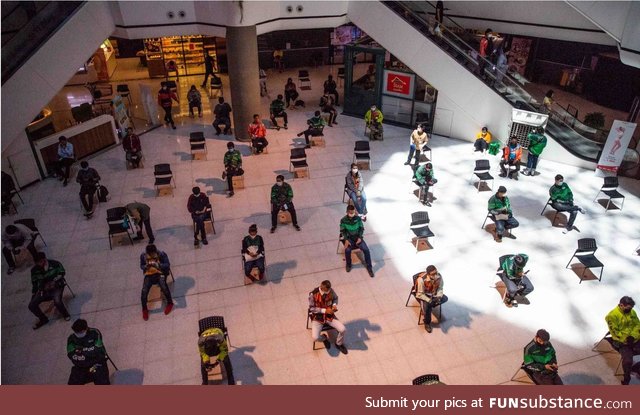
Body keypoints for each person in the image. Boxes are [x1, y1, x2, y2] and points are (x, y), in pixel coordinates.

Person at [29, 252, 71, 329]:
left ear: (44, 259)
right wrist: (34, 293)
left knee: (57, 301)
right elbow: (34, 283)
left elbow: (62, 272)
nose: (39, 264)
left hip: (57, 286)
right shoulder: (34, 270)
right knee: (32, 305)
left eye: (40, 262)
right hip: (43, 290)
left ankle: (66, 314)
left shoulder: (55, 264)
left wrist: (54, 281)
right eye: (37, 263)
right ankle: (43, 319)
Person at [605, 296, 640, 385]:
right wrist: (627, 339)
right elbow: (615, 333)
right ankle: (626, 378)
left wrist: (633, 336)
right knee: (628, 361)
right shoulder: (612, 316)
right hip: (622, 342)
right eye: (628, 308)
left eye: (631, 308)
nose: (630, 310)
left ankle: (637, 367)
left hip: (634, 338)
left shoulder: (632, 312)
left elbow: (637, 326)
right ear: (621, 305)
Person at [308, 280, 348, 354]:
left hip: (329, 316)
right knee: (315, 337)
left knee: (343, 329)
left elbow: (335, 298)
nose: (328, 292)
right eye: (327, 291)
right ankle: (324, 338)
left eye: (329, 290)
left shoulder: (330, 291)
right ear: (321, 287)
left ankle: (339, 344)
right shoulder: (312, 294)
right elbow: (312, 308)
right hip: (318, 318)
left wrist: (334, 305)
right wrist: (324, 311)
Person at [67, 319, 110, 385]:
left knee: (101, 380)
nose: (78, 334)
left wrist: (81, 352)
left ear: (86, 329)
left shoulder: (94, 333)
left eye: (80, 332)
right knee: (73, 383)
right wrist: (88, 352)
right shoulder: (71, 338)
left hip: (95, 365)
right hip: (81, 367)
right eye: (76, 332)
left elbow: (98, 350)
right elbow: (71, 355)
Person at [139, 244, 173, 320]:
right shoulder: (143, 255)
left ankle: (170, 303)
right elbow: (141, 265)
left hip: (160, 273)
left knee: (164, 287)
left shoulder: (161, 254)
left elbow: (167, 265)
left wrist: (158, 265)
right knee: (144, 291)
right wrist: (145, 266)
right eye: (149, 254)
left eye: (152, 254)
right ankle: (144, 309)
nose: (151, 255)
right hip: (149, 275)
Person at [340, 205, 374, 277]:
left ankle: (369, 267)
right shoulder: (343, 220)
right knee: (347, 250)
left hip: (358, 238)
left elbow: (361, 228)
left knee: (366, 250)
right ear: (347, 212)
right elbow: (342, 231)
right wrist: (346, 240)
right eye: (350, 212)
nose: (352, 214)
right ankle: (348, 264)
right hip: (349, 239)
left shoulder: (358, 219)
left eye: (353, 212)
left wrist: (360, 237)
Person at [415, 265, 448, 333]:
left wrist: (439, 296)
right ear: (428, 274)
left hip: (434, 294)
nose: (435, 275)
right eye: (433, 274)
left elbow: (440, 288)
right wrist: (429, 300)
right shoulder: (421, 280)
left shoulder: (439, 276)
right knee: (427, 307)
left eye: (436, 273)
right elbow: (419, 294)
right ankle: (427, 323)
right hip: (424, 295)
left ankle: (430, 305)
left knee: (445, 298)